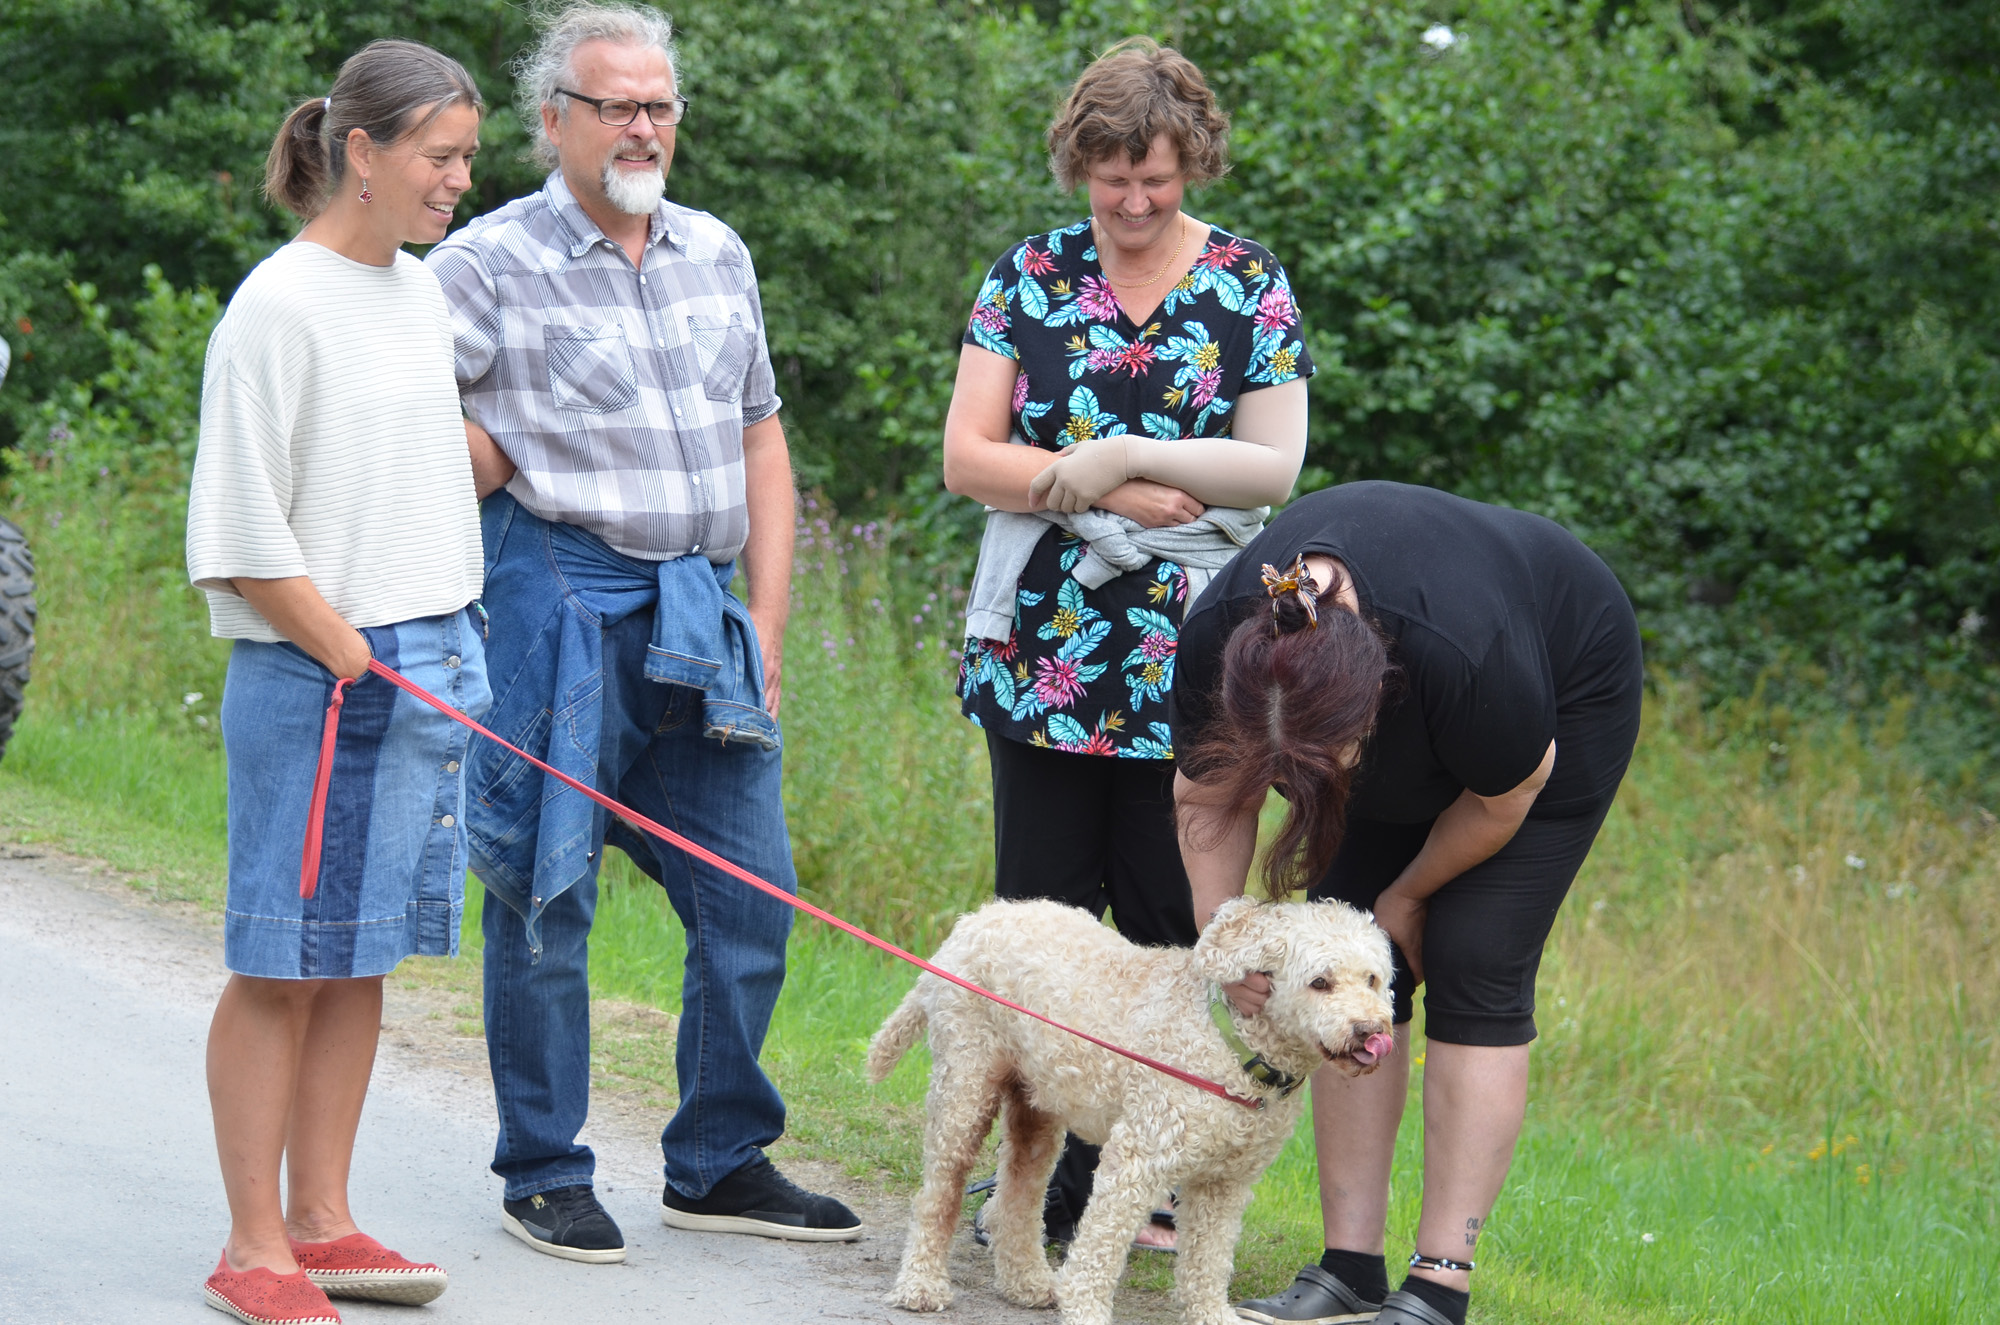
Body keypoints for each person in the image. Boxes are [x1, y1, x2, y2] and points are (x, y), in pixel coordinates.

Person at [425, 1, 861, 1263]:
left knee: (750, 891)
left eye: (658, 104)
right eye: (614, 104)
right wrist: (500, 450)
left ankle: (717, 1160)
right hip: (555, 593)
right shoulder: (483, 263)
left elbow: (761, 435)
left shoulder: (715, 249)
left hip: (698, 603)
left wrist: (762, 619)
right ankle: (544, 1168)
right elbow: (402, 429)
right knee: (544, 888)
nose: (641, 126)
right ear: (553, 118)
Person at [944, 36, 1313, 1247]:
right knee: (1045, 933)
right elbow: (966, 456)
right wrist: (1094, 491)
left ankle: (1143, 1177)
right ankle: (1027, 1190)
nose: (1135, 202)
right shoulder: (1028, 275)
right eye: (1112, 180)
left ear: (1189, 161)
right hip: (1045, 649)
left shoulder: (1247, 282)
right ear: (1078, 165)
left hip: (1192, 653)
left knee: (1171, 924)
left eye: (1155, 178)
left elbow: (1271, 463)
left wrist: (1125, 454)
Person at [1168, 480, 1644, 1325]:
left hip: (1556, 702)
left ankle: (1438, 1283)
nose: (1298, 792)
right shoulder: (1220, 636)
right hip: (1413, 703)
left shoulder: (1466, 652)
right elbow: (1206, 795)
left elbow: (1506, 793)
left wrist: (1410, 893)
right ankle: (1349, 1266)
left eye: (1321, 768)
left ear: (1372, 705)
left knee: (1475, 953)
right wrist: (1223, 935)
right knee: (1346, 948)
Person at [185, 39, 491, 1325]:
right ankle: (251, 1244)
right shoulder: (277, 307)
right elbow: (239, 536)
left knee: (360, 956)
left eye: (467, 157)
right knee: (282, 961)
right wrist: (348, 653)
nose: (458, 180)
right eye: (439, 156)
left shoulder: (418, 293)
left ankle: (321, 1218)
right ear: (361, 151)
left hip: (431, 659)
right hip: (324, 672)